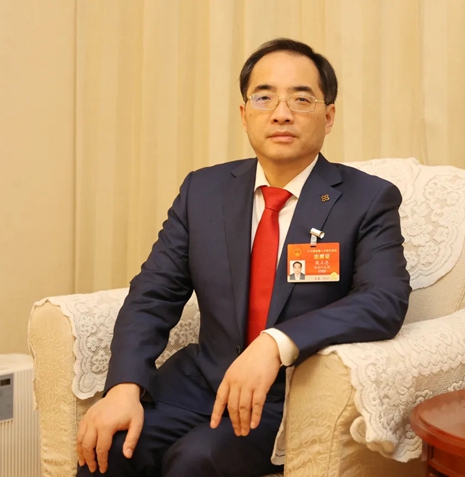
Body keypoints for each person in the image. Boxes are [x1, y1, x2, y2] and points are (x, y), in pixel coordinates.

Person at [75, 38, 410, 477]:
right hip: (199, 382)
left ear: (329, 116)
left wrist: (276, 342)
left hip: (289, 397)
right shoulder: (203, 191)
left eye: (301, 99)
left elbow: (383, 300)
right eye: (264, 97)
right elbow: (152, 295)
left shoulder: (367, 199)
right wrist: (123, 386)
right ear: (244, 113)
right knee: (108, 447)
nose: (281, 113)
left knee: (195, 461)